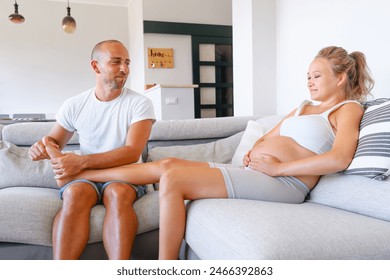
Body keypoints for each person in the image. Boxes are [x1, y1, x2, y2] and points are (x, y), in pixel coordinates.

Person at [42, 46, 374, 260]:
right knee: (170, 167)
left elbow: (339, 159)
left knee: (172, 173)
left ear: (341, 77)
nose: (310, 83)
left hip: (286, 186)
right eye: (308, 76)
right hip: (259, 174)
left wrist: (277, 169)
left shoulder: (348, 110)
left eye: (316, 76)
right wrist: (254, 152)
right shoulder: (302, 106)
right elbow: (270, 135)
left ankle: (164, 264)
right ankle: (87, 176)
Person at [28, 40, 155, 260]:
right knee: (75, 193)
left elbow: (132, 152)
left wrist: (81, 163)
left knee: (117, 192)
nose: (124, 69)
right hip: (86, 178)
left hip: (124, 174)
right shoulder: (74, 104)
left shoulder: (140, 103)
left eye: (127, 62)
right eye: (116, 62)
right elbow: (54, 142)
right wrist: (42, 146)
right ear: (96, 67)